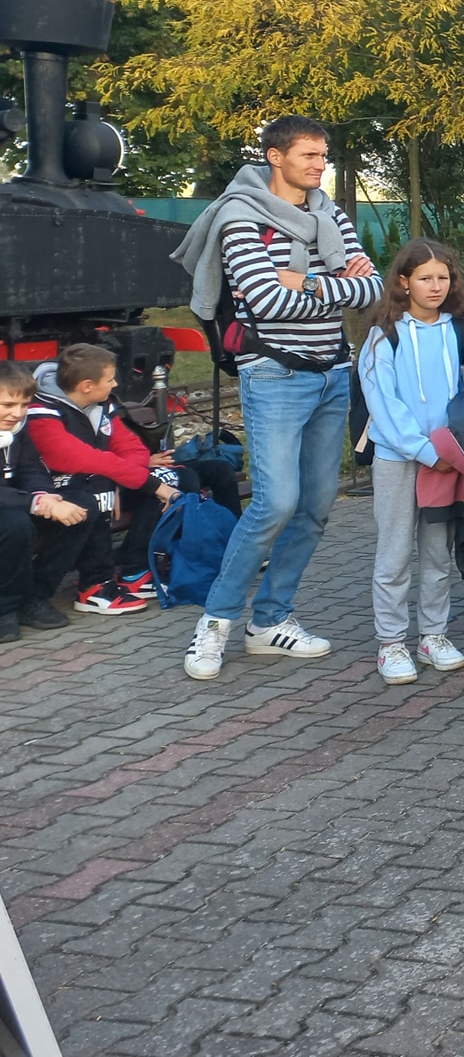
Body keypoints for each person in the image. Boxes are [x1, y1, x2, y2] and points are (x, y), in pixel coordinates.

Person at [170, 114, 381, 680]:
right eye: (309, 155)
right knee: (275, 503)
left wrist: (306, 282)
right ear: (275, 156)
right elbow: (265, 301)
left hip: (332, 372)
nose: (319, 165)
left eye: (323, 155)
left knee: (316, 506)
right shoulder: (241, 217)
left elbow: (372, 290)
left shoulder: (330, 213)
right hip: (274, 373)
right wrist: (336, 286)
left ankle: (270, 620)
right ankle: (215, 624)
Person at [358, 238, 464, 685]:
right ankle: (391, 642)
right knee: (394, 554)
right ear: (404, 281)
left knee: (436, 553)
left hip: (448, 462)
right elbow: (384, 405)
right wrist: (427, 452)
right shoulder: (383, 336)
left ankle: (433, 635)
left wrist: (455, 451)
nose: (435, 286)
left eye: (443, 278)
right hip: (399, 459)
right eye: (425, 278)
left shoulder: (463, 332)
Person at [22, 345, 161, 616]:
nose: (115, 384)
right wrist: (116, 478)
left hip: (93, 483)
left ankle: (134, 570)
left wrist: (119, 480)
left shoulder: (102, 404)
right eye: (110, 379)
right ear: (87, 386)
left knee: (168, 481)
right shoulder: (42, 411)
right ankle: (94, 585)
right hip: (52, 492)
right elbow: (74, 458)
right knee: (93, 497)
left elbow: (132, 448)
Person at [1, 362, 78, 639]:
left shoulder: (18, 428)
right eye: (8, 405)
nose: (18, 413)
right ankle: (5, 607)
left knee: (80, 510)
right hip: (9, 506)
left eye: (24, 405)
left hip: (14, 501)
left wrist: (44, 496)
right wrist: (34, 504)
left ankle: (33, 596)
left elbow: (30, 468)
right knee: (15, 525)